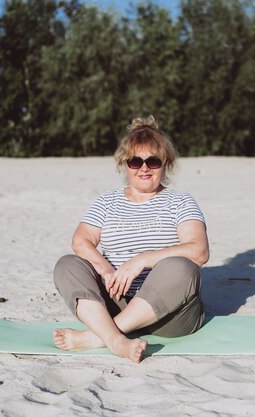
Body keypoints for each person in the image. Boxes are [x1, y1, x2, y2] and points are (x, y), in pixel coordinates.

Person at [52, 115, 209, 363]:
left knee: (182, 267)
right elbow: (81, 240)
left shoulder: (181, 202)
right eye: (136, 161)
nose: (144, 168)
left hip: (170, 316)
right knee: (67, 264)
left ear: (165, 164)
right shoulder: (106, 202)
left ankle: (99, 337)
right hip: (117, 300)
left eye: (153, 161)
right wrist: (105, 270)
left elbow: (199, 251)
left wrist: (142, 260)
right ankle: (116, 338)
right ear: (125, 165)